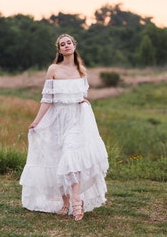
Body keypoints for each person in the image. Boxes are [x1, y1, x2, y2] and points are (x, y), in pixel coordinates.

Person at [19, 34, 109, 221]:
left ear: (74, 46)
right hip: (57, 118)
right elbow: (47, 99)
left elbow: (83, 94)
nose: (66, 46)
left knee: (71, 158)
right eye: (62, 44)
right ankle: (65, 201)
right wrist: (36, 121)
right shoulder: (53, 69)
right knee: (57, 159)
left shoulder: (81, 70)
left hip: (76, 119)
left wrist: (84, 101)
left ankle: (77, 202)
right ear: (59, 50)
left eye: (69, 43)